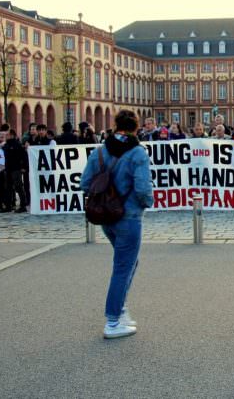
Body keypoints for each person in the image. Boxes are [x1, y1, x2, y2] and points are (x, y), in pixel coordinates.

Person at [80, 110, 154, 339]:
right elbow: (143, 188)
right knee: (123, 266)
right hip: (129, 217)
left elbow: (84, 183)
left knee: (129, 262)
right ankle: (112, 321)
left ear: (115, 125)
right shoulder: (137, 152)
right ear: (135, 127)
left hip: (106, 218)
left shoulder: (100, 151)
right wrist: (146, 202)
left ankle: (120, 311)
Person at [2, 130, 28, 213]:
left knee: (19, 187)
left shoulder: (17, 145)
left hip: (16, 169)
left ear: (12, 135)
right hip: (8, 169)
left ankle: (23, 205)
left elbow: (24, 156)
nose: (6, 137)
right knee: (8, 188)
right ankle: (8, 206)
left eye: (7, 135)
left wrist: (24, 167)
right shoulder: (5, 145)